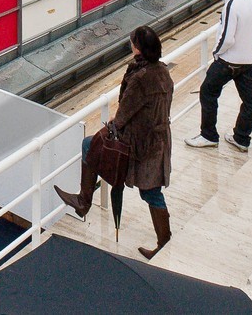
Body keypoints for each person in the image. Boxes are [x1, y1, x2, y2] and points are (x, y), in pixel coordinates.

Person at [54, 26, 175, 260]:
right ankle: (164, 239)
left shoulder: (140, 77)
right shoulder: (162, 71)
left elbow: (123, 116)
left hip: (141, 146)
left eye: (132, 43)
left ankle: (83, 201)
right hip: (159, 141)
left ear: (137, 48)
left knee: (90, 145)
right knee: (151, 192)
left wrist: (112, 125)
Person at [186, 0, 252, 152]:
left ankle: (209, 135)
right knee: (250, 101)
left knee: (208, 92)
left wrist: (216, 53)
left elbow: (227, 36)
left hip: (228, 62)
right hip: (247, 61)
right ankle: (241, 138)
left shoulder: (231, 4)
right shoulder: (251, 1)